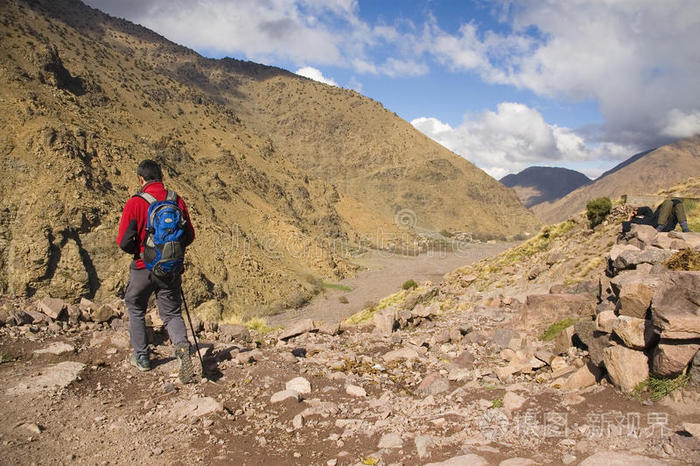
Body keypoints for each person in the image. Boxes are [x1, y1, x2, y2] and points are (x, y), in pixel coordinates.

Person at [116, 159, 197, 383]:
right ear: (161, 176)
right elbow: (189, 235)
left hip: (143, 268)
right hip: (169, 269)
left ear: (141, 179)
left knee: (135, 308)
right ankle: (182, 352)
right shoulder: (175, 199)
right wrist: (170, 253)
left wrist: (140, 251)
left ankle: (142, 357)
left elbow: (123, 241)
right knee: (171, 314)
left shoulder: (135, 202)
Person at [625, 198, 690, 232]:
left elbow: (646, 209)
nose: (634, 211)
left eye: (636, 210)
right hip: (657, 226)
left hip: (665, 224)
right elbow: (626, 226)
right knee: (668, 202)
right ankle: (660, 226)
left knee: (677, 203)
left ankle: (685, 228)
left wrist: (637, 210)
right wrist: (630, 217)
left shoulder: (649, 215)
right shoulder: (635, 221)